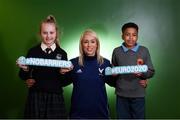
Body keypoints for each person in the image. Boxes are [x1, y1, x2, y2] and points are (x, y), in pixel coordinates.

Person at [17, 15, 68, 119]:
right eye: (45, 33)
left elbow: (64, 82)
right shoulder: (32, 51)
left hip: (55, 98)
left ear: (56, 33)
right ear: (40, 33)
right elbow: (23, 76)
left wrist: (63, 73)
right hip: (35, 96)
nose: (48, 36)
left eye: (51, 33)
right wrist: (25, 70)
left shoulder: (62, 53)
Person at [61, 29, 115, 119]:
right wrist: (61, 73)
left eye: (92, 42)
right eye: (86, 42)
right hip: (77, 115)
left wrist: (116, 74)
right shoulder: (73, 63)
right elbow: (62, 82)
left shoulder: (105, 63)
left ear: (97, 44)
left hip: (101, 115)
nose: (89, 45)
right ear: (81, 45)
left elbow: (114, 83)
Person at [111, 22, 155, 119]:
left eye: (134, 35)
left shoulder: (144, 50)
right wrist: (113, 73)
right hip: (121, 94)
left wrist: (143, 74)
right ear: (122, 36)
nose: (131, 38)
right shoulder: (116, 51)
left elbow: (151, 71)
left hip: (138, 94)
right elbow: (114, 69)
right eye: (127, 34)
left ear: (137, 36)